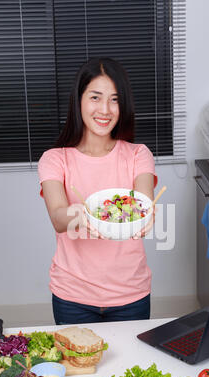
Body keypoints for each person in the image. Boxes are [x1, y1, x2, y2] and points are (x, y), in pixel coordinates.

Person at [38, 57, 158, 325]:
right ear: (78, 100)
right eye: (95, 97)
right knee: (81, 367)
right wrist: (87, 215)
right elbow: (58, 218)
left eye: (114, 99)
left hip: (131, 294)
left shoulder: (139, 154)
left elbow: (145, 207)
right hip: (72, 295)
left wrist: (146, 216)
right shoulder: (54, 159)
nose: (105, 109)